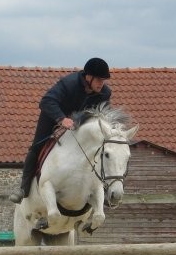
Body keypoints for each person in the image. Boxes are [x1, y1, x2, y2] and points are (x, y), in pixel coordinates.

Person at [9, 57, 112, 203]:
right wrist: (61, 119)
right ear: (88, 77)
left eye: (103, 81)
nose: (102, 84)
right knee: (36, 147)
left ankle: (103, 189)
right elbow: (46, 101)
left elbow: (103, 114)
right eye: (99, 80)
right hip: (53, 118)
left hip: (79, 124)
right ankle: (23, 189)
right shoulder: (69, 83)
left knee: (99, 149)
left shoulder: (105, 93)